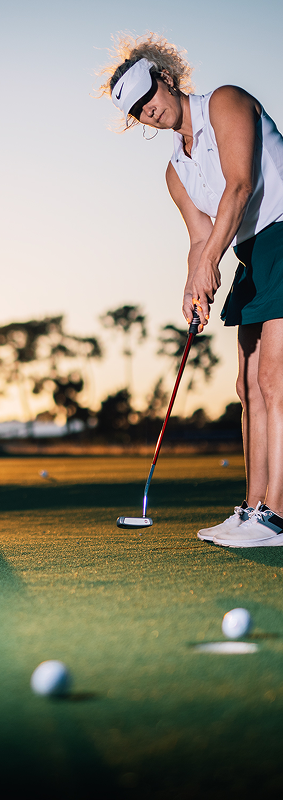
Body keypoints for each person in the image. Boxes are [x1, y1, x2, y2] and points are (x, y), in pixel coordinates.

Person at [100, 33, 283, 547]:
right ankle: (253, 509)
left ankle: (277, 515)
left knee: (275, 380)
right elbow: (200, 238)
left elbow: (240, 186)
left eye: (148, 96)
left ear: (166, 78)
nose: (148, 111)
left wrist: (208, 263)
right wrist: (192, 285)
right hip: (250, 251)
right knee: (248, 387)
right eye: (137, 110)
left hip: (282, 233)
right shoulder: (175, 171)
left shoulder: (224, 102)